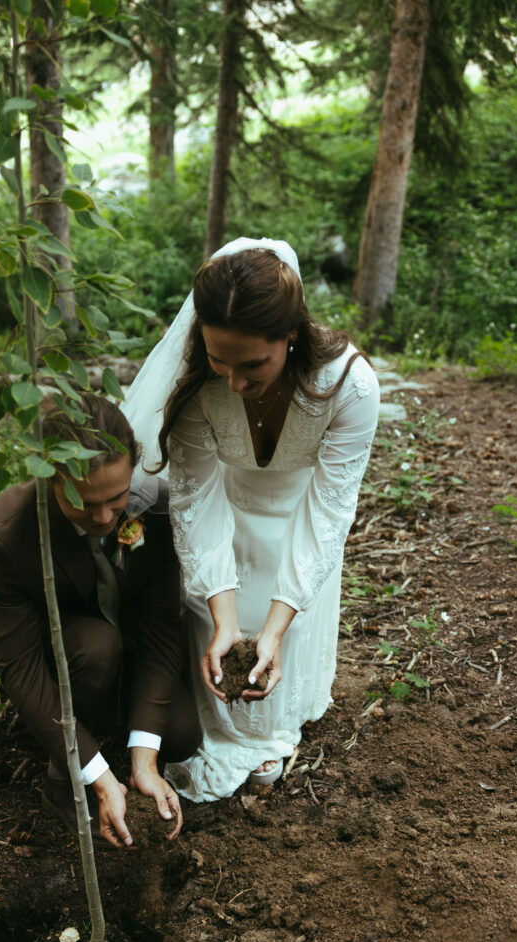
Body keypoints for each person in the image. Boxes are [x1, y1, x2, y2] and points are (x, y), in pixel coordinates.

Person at [120, 237, 380, 802]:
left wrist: (277, 625)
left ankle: (276, 718)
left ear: (291, 334)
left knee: (276, 625)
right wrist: (223, 616)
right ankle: (217, 719)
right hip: (226, 518)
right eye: (220, 361)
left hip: (299, 520)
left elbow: (329, 509)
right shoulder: (195, 390)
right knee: (217, 617)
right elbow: (197, 501)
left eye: (253, 364)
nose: (235, 382)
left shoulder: (348, 386)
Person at [0, 393, 201, 845]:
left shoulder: (157, 510)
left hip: (117, 629)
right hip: (46, 641)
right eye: (85, 505)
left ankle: (99, 729)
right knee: (95, 649)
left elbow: (162, 635)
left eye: (117, 498)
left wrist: (143, 760)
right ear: (51, 479)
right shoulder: (4, 533)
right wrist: (98, 777)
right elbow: (24, 669)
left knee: (181, 733)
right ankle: (63, 776)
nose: (106, 517)